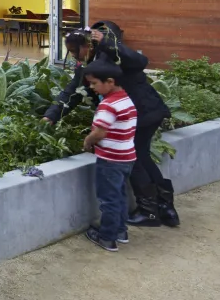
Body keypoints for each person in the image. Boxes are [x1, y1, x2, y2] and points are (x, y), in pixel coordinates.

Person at [43, 21, 177, 227]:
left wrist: (106, 43)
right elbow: (71, 93)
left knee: (136, 160)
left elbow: (140, 61)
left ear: (87, 45)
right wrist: (51, 116)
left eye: (74, 51)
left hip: (144, 113)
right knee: (142, 156)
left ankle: (149, 211)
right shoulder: (86, 67)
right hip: (136, 116)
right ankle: (165, 208)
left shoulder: (113, 55)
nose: (72, 56)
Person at [82, 60, 137, 251]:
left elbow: (100, 132)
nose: (91, 87)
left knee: (108, 199)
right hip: (127, 157)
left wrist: (88, 142)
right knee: (119, 196)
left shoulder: (108, 105)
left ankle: (107, 237)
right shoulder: (125, 99)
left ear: (110, 81)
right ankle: (120, 232)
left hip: (110, 160)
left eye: (94, 83)